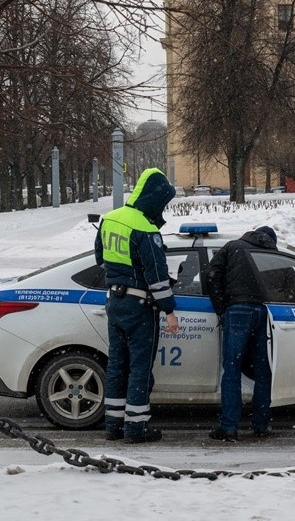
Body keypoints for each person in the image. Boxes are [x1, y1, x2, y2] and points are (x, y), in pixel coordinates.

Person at [94, 167, 179, 443]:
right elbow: (156, 275)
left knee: (118, 365)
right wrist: (168, 310)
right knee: (140, 368)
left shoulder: (110, 219)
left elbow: (100, 257)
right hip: (139, 306)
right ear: (153, 199)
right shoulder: (145, 228)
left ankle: (113, 425)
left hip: (114, 303)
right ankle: (136, 428)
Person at [206, 226, 279, 442]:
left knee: (232, 369)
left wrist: (222, 308)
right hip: (264, 312)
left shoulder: (233, 246)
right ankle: (262, 424)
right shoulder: (271, 255)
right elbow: (283, 285)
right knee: (264, 370)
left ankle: (228, 427)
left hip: (237, 310)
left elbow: (211, 276)